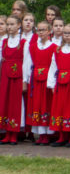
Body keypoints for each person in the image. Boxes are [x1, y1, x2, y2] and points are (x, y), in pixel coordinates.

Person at [48, 23, 70, 148]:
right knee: (60, 108)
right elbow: (53, 67)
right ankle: (62, 136)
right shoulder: (58, 50)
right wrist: (51, 84)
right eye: (65, 33)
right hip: (60, 83)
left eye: (69, 33)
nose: (66, 35)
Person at [23, 21, 57, 145]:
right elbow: (28, 64)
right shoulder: (32, 47)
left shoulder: (54, 47)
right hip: (36, 80)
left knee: (46, 105)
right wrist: (25, 80)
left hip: (47, 79)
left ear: (49, 31)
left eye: (44, 30)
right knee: (37, 105)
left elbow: (55, 65)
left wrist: (52, 81)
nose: (41, 32)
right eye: (39, 30)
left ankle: (48, 135)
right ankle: (40, 134)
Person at [0, 15, 27, 144]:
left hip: (17, 76)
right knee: (5, 102)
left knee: (15, 104)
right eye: (8, 24)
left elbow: (27, 62)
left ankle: (14, 133)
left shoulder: (23, 42)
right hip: (5, 75)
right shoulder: (4, 41)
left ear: (18, 26)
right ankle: (6, 132)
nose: (9, 27)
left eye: (12, 24)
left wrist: (24, 81)